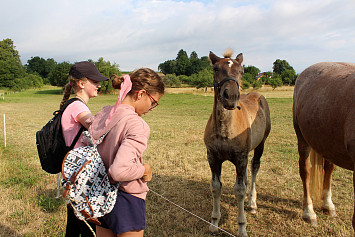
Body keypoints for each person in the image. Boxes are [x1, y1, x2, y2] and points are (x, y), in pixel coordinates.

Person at [86, 68, 165, 237]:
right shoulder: (137, 124)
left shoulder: (104, 112)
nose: (152, 108)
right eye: (153, 102)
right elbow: (118, 171)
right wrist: (144, 169)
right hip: (126, 199)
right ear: (140, 94)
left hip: (98, 195)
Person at [60, 61, 108, 237]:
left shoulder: (73, 105)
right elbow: (97, 128)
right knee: (88, 228)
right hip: (79, 176)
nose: (99, 85)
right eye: (94, 81)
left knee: (73, 227)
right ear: (81, 84)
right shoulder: (77, 106)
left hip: (74, 173)